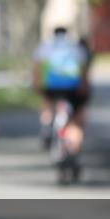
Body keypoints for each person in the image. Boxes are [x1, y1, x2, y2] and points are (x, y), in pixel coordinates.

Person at [33, 27, 91, 177]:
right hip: (72, 90)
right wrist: (84, 92)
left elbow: (37, 69)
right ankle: (74, 153)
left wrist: (37, 87)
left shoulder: (45, 47)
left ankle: (46, 124)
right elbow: (84, 72)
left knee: (47, 102)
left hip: (51, 88)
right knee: (76, 122)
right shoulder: (76, 47)